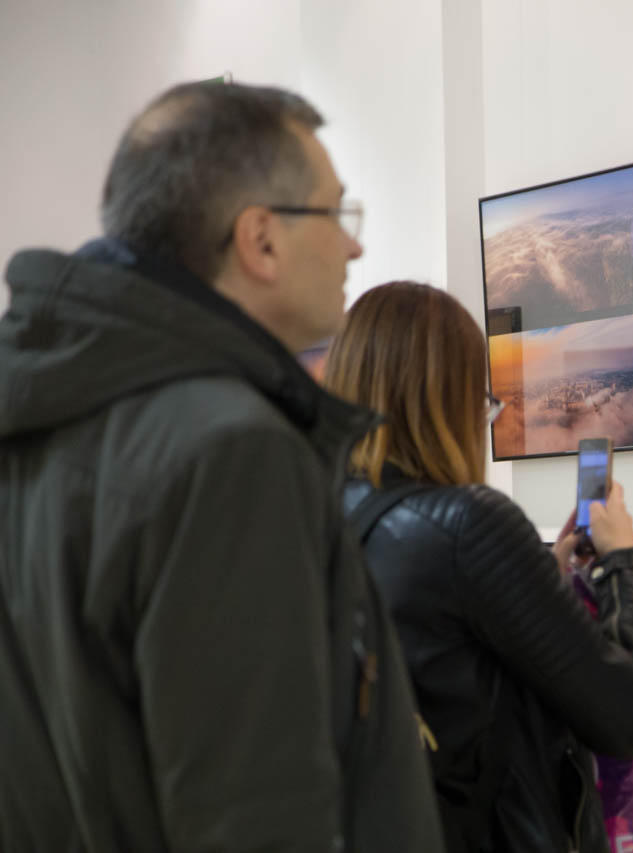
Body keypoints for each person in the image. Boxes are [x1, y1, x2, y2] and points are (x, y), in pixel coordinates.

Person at [0, 81, 442, 851]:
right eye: (336, 214)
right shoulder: (232, 449)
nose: (355, 245)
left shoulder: (42, 412)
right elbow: (259, 812)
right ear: (260, 240)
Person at [322, 281, 633, 853]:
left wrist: (539, 576)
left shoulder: (317, 513)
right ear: (448, 404)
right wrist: (628, 562)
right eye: (483, 405)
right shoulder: (470, 523)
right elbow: (629, 718)